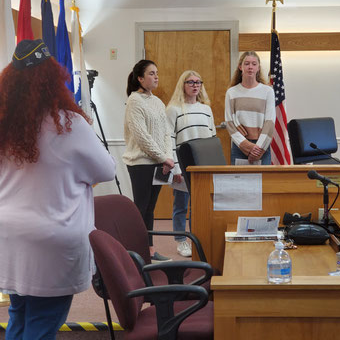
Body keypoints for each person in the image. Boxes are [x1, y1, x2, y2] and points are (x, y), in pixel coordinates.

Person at [0, 39, 116, 340]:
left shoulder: (3, 125)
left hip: (9, 235)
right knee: (41, 325)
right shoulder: (68, 124)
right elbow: (107, 170)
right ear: (54, 80)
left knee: (20, 315)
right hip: (52, 238)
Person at [123, 59, 174, 263]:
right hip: (141, 164)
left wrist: (167, 157)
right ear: (140, 78)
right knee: (141, 208)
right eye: (151, 73)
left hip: (160, 163)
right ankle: (137, 253)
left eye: (157, 73)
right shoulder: (134, 101)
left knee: (150, 209)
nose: (156, 77)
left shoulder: (158, 102)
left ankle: (150, 250)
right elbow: (142, 137)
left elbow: (166, 134)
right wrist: (163, 157)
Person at [166, 70, 216, 257]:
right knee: (181, 204)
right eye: (190, 82)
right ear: (183, 85)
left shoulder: (206, 109)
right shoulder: (174, 109)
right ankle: (181, 240)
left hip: (203, 164)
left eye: (198, 82)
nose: (195, 85)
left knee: (201, 204)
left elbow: (212, 138)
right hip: (182, 164)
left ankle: (198, 237)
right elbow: (169, 139)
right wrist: (175, 167)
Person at [225, 51, 276, 165]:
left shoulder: (267, 91)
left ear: (258, 68)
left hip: (262, 146)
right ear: (240, 67)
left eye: (254, 64)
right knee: (240, 182)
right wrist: (247, 147)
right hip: (239, 147)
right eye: (247, 63)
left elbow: (270, 122)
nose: (250, 67)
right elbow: (230, 123)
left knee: (264, 182)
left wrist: (258, 149)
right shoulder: (232, 92)